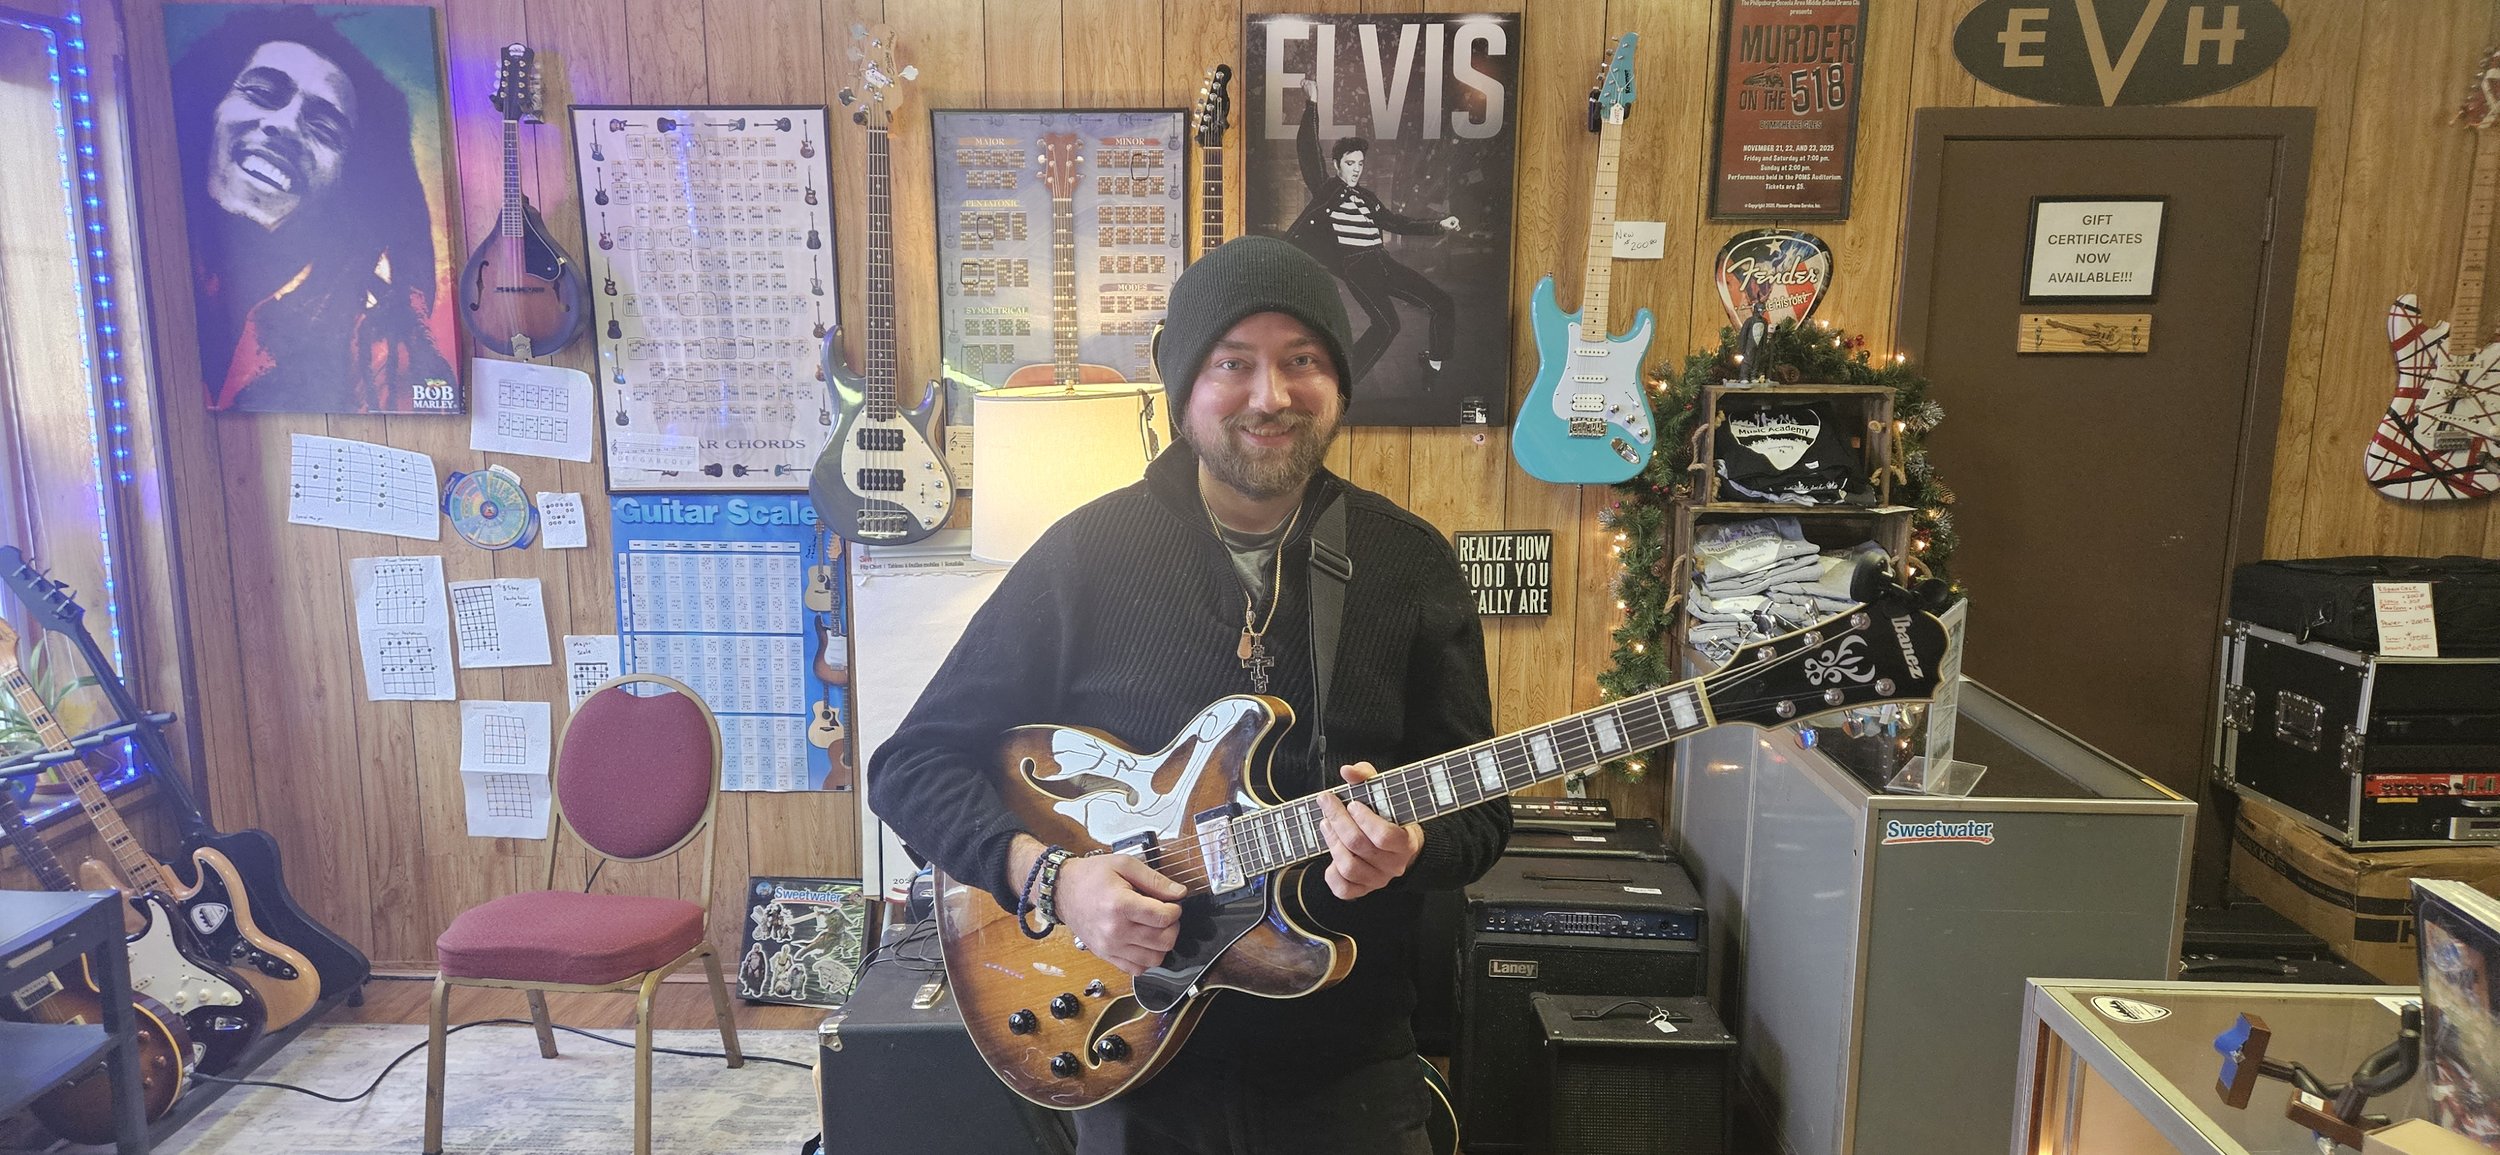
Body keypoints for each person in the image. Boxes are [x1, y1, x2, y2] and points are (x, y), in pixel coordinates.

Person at [868, 236, 1508, 1154]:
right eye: (1233, 363)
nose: (1271, 396)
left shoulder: (1410, 564)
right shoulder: (1086, 555)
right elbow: (909, 765)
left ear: (1338, 382)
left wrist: (1412, 845)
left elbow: (1484, 818)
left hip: (1351, 1063)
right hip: (1133, 1053)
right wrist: (1051, 878)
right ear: (1185, 387)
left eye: (1303, 361)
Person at [171, 7, 455, 413]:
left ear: (346, 182)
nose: (284, 125)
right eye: (262, 93)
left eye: (324, 128)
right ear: (209, 112)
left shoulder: (383, 350)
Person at [1282, 79, 1462, 386]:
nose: (1356, 169)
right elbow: (1308, 151)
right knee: (1387, 325)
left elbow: (1396, 222)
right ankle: (1344, 383)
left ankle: (1433, 365)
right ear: (1337, 165)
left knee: (1442, 303)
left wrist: (1438, 225)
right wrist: (1312, 104)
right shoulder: (1328, 190)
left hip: (1383, 261)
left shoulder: (1366, 197)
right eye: (1349, 163)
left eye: (1360, 164)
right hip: (1358, 265)